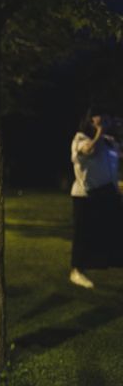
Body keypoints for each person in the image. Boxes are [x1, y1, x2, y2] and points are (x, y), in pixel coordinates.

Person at [69, 108, 123, 289]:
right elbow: (88, 150)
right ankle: (76, 271)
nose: (105, 119)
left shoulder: (109, 142)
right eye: (101, 116)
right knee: (83, 235)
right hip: (86, 195)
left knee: (112, 233)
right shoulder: (80, 139)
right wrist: (100, 132)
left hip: (108, 193)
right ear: (90, 120)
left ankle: (107, 263)